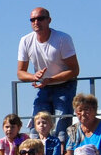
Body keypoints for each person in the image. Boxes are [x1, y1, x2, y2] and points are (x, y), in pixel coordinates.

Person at [16, 7, 79, 135]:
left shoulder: (62, 39)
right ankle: (36, 153)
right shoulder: (26, 40)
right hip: (43, 88)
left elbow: (74, 70)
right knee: (36, 129)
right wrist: (33, 77)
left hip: (65, 86)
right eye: (32, 19)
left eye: (40, 18)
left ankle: (63, 154)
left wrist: (51, 79)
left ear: (49, 20)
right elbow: (20, 73)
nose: (36, 22)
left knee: (62, 130)